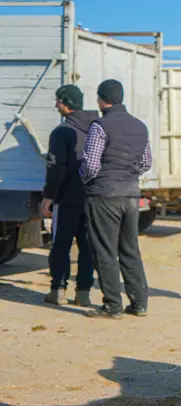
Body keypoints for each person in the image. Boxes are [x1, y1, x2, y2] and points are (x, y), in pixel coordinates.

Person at [79, 79, 151, 319]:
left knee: (105, 250)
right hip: (131, 194)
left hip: (104, 194)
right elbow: (146, 162)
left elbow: (90, 163)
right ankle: (139, 303)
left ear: (102, 99)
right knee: (130, 249)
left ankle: (112, 305)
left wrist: (86, 181)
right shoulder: (140, 126)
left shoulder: (100, 125)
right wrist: (128, 176)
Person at [40, 85, 97, 306]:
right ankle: (83, 293)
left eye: (57, 100)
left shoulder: (62, 131)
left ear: (65, 103)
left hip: (66, 198)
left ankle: (58, 290)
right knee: (86, 246)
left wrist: (48, 196)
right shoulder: (96, 127)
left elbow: (57, 167)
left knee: (61, 245)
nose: (55, 104)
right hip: (92, 197)